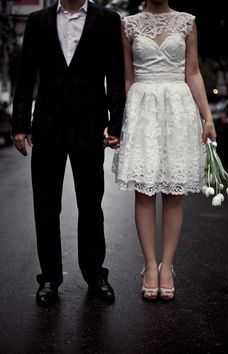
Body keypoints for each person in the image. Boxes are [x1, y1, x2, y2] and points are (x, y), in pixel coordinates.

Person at [11, 0, 125, 306]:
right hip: (47, 127)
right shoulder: (38, 20)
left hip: (91, 127)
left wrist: (116, 125)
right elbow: (25, 77)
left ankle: (95, 275)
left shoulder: (108, 19)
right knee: (46, 207)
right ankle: (49, 278)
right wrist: (19, 125)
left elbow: (115, 77)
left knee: (91, 205)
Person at [112, 0, 216, 301]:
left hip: (178, 109)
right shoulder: (129, 24)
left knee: (173, 193)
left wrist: (207, 117)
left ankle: (167, 266)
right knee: (144, 190)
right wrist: (122, 122)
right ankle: (149, 266)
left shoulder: (187, 21)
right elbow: (128, 77)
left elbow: (193, 72)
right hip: (142, 107)